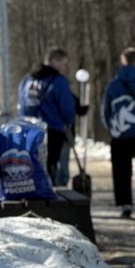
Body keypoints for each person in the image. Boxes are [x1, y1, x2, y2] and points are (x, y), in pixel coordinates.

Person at [17, 47, 82, 184]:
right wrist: (68, 121)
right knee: (50, 166)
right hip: (52, 129)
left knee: (34, 164)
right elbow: (67, 107)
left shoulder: (27, 80)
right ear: (53, 61)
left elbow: (22, 104)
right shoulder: (58, 81)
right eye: (63, 63)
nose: (64, 68)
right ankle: (49, 191)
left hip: (29, 130)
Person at [101, 47, 135, 219]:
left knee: (121, 171)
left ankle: (125, 204)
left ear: (123, 61)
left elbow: (105, 110)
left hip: (120, 134)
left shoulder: (113, 84)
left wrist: (111, 128)